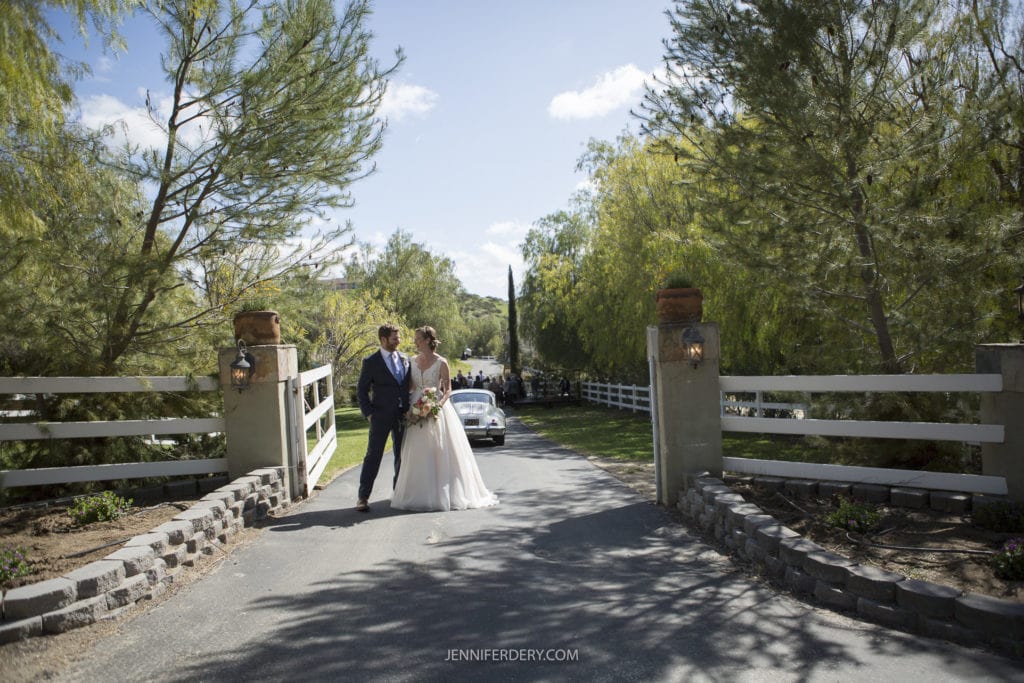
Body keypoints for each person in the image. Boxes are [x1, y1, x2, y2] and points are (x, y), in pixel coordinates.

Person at [391, 326, 499, 512]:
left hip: (437, 407)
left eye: (417, 338)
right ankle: (417, 494)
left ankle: (443, 493)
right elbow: (409, 387)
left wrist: (437, 405)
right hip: (415, 407)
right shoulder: (412, 361)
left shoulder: (442, 362)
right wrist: (406, 406)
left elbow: (448, 389)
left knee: (440, 450)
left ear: (427, 340)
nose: (415, 341)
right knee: (417, 452)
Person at [354, 324, 411, 513]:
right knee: (373, 455)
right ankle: (363, 497)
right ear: (383, 339)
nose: (398, 341)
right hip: (379, 416)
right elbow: (361, 390)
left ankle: (398, 494)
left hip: (403, 416)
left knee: (401, 455)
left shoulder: (405, 358)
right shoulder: (371, 362)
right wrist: (368, 413)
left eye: (399, 337)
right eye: (395, 338)